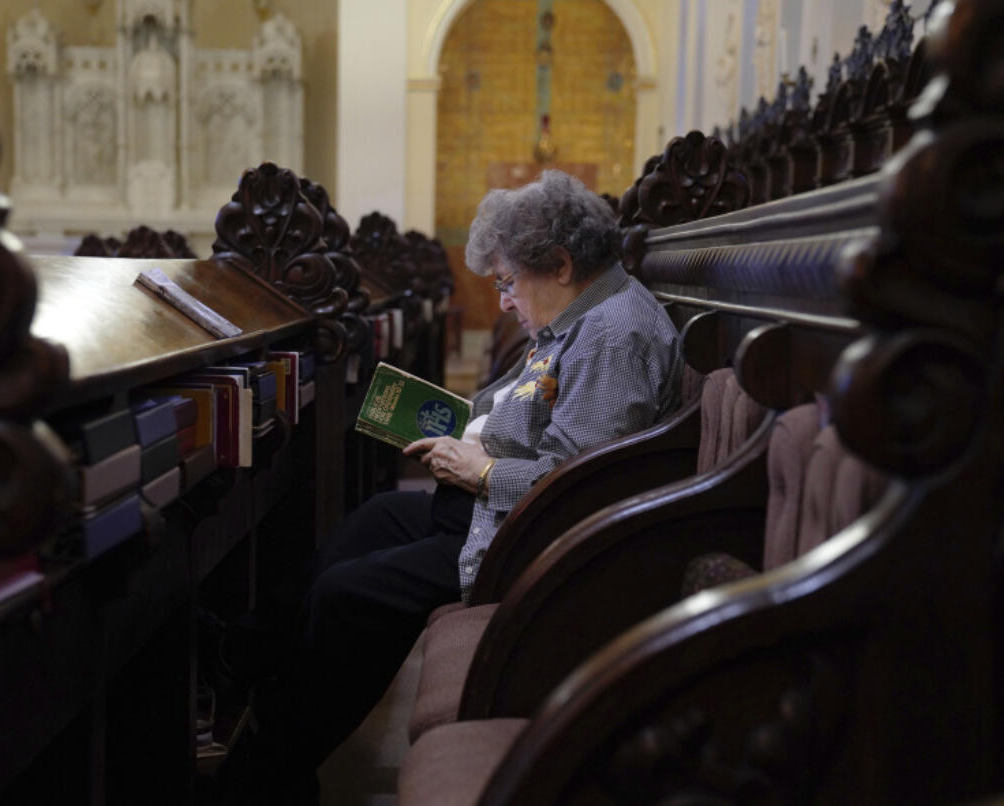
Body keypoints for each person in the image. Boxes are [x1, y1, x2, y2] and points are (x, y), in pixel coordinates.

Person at [240, 170, 682, 804]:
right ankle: (254, 667)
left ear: (559, 264)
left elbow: (576, 487)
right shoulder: (582, 313)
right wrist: (470, 432)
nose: (501, 301)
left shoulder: (616, 333)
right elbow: (530, 406)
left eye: (507, 283)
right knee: (372, 521)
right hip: (494, 511)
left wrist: (478, 469)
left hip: (531, 540)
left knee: (348, 595)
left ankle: (273, 769)